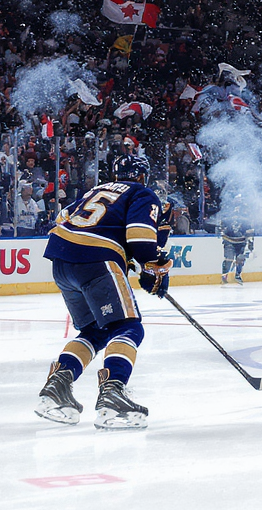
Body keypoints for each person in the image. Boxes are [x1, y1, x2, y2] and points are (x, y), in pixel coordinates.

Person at [34, 155, 172, 431]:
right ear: (142, 176)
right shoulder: (142, 193)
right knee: (128, 328)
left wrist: (130, 258)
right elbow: (141, 240)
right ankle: (113, 395)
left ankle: (56, 388)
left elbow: (63, 219)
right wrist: (154, 267)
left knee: (96, 331)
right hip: (95, 260)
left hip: (61, 260)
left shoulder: (96, 190)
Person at [219, 216, 254, 286]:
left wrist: (250, 242)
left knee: (240, 259)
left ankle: (238, 275)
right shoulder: (226, 219)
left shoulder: (246, 220)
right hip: (229, 241)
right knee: (229, 259)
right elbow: (221, 231)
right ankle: (224, 276)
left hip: (241, 243)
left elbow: (250, 233)